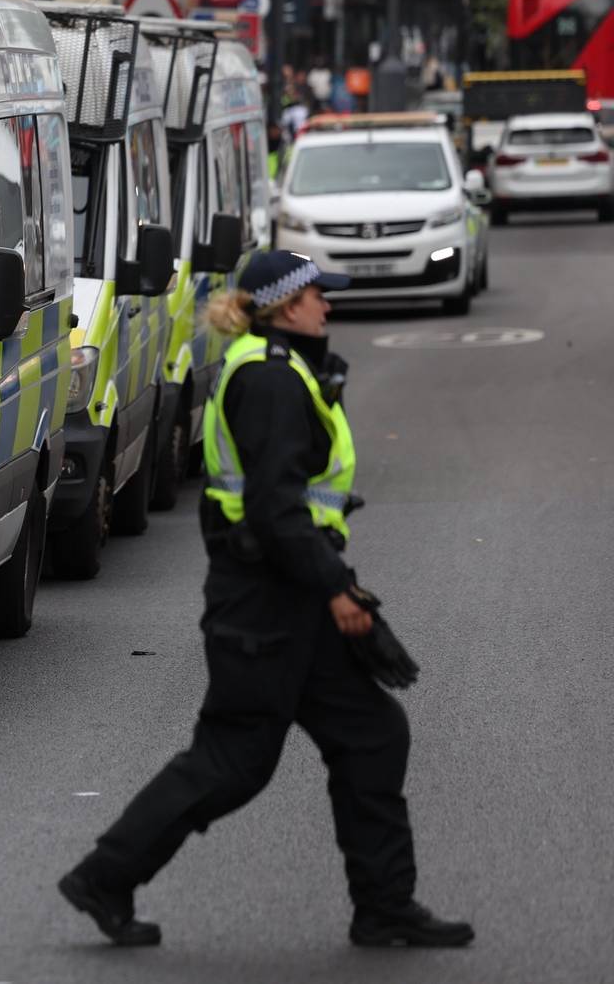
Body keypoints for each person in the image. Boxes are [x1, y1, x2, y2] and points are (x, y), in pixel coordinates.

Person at [59, 251, 474, 950]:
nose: (328, 306)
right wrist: (339, 589)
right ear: (286, 306)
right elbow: (277, 508)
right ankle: (105, 875)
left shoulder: (281, 370)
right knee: (233, 760)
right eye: (319, 295)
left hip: (285, 595)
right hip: (265, 603)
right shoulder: (272, 381)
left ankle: (385, 907)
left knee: (373, 734)